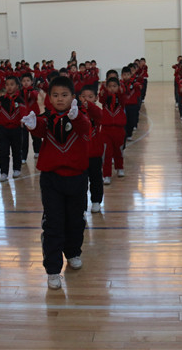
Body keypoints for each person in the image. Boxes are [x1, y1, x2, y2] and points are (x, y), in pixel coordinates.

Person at [21, 76, 91, 290]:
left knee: (75, 221)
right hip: (51, 179)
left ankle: (73, 252)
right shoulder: (47, 117)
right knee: (53, 223)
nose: (60, 99)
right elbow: (41, 128)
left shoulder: (80, 116)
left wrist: (77, 117)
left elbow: (85, 129)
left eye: (64, 95)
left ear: (73, 97)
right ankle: (52, 269)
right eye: (55, 95)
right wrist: (33, 127)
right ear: (49, 98)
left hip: (77, 177)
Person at [0, 76, 26, 182]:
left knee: (17, 150)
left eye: (12, 84)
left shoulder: (20, 100)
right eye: (7, 84)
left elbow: (24, 113)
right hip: (3, 130)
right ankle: (4, 172)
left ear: (17, 86)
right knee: (3, 151)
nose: (9, 87)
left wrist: (24, 121)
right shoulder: (1, 100)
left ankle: (17, 169)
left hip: (16, 129)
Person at [79, 85, 104, 213]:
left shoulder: (96, 111)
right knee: (80, 183)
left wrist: (90, 106)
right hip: (80, 155)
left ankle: (96, 201)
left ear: (96, 98)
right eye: (83, 96)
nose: (86, 99)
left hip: (95, 153)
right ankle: (81, 207)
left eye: (90, 97)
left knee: (96, 179)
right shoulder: (76, 112)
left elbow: (100, 115)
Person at [99, 77, 127, 184]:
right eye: (109, 86)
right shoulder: (105, 100)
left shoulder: (121, 100)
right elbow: (101, 97)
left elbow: (123, 95)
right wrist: (103, 87)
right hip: (106, 130)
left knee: (118, 151)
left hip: (119, 130)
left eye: (114, 86)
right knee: (106, 153)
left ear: (118, 87)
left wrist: (120, 89)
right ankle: (106, 175)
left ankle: (120, 167)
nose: (112, 88)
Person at [20, 73, 41, 163]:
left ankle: (38, 151)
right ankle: (23, 156)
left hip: (34, 117)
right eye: (24, 81)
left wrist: (30, 91)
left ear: (32, 82)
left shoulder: (34, 91)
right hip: (24, 118)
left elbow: (34, 96)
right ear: (21, 82)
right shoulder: (19, 93)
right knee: (24, 139)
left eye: (28, 81)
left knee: (36, 136)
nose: (26, 83)